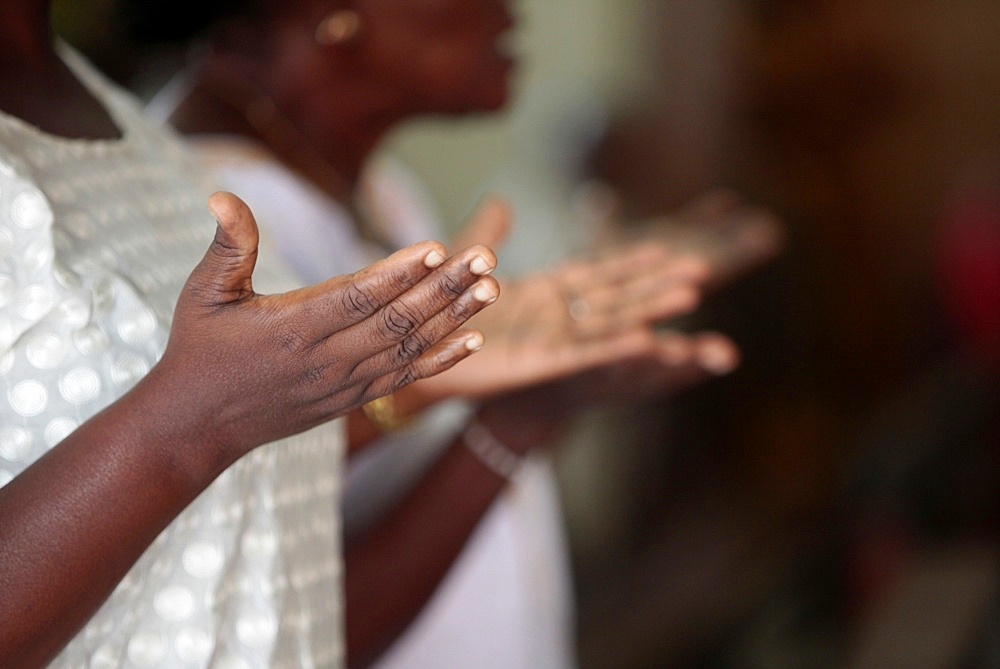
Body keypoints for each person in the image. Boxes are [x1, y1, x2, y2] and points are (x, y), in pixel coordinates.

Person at [111, 1, 757, 666]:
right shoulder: (218, 223)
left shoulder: (376, 186)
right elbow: (270, 628)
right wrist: (516, 418)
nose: (510, 9)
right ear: (333, 13)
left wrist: (547, 369)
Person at [0, 1, 505, 666]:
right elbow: (201, 414)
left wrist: (492, 407)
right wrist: (188, 421)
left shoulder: (118, 117)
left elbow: (259, 525)